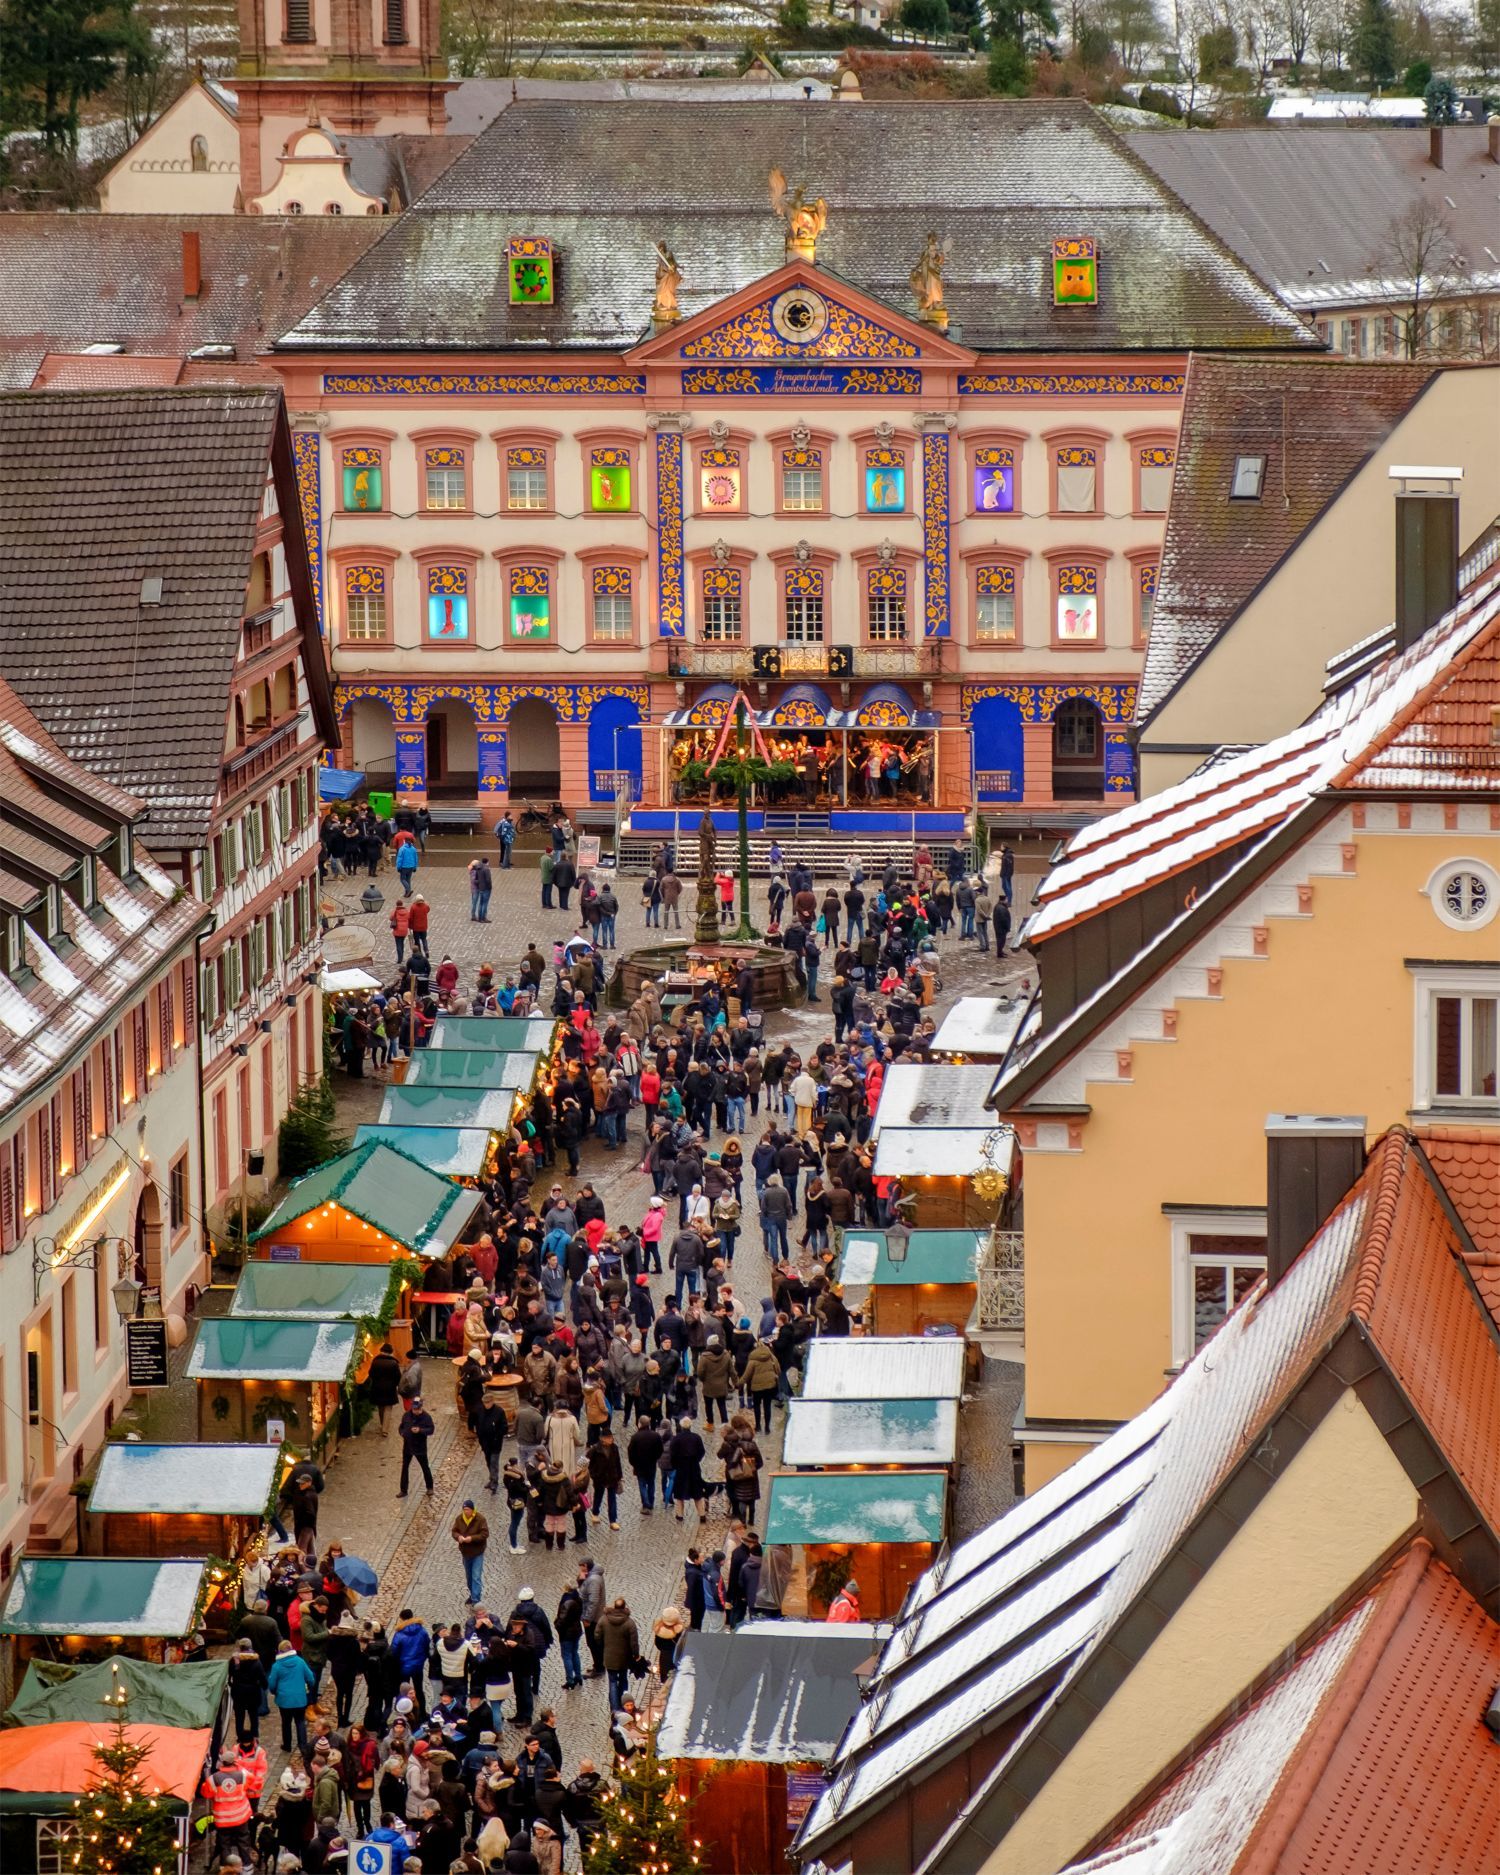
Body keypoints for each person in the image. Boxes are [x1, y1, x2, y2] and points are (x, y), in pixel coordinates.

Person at [267, 1641, 317, 1755]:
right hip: (300, 1699)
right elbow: (310, 1678)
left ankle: (287, 1745)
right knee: (300, 1721)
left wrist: (276, 1693)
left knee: (286, 1723)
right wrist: (308, 1687)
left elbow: (272, 1685)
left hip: (284, 1700)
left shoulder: (277, 1666)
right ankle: (303, 1746)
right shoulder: (300, 1662)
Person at [599, 1596, 639, 1712]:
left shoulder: (604, 1620)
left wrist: (604, 1647)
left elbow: (597, 1636)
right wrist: (636, 1655)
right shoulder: (629, 1623)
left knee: (612, 1682)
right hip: (624, 1659)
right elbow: (634, 1643)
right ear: (624, 1607)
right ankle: (624, 1705)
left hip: (609, 1657)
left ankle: (615, 1709)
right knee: (623, 1679)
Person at [453, 1500, 490, 1605]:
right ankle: (472, 1594)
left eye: (467, 1509)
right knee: (469, 1577)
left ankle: (476, 1600)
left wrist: (472, 1538)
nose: (466, 1512)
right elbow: (454, 1531)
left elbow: (485, 1534)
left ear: (472, 1510)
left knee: (476, 1577)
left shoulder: (480, 1519)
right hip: (466, 1552)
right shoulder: (459, 1519)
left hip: (477, 1552)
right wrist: (458, 1537)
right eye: (464, 1509)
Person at [399, 1396, 436, 1496]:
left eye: (418, 1409)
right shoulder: (407, 1415)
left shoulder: (426, 1417)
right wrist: (402, 1433)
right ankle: (403, 1490)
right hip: (408, 1446)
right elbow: (401, 1427)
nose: (416, 1411)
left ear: (421, 1408)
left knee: (425, 1467)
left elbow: (431, 1430)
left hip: (420, 1447)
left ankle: (429, 1487)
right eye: (414, 1409)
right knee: (405, 1467)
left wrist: (420, 1430)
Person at [367, 1341, 402, 1436]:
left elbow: (371, 1374)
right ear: (390, 1352)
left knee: (380, 1407)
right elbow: (398, 1377)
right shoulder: (394, 1363)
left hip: (377, 1387)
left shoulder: (375, 1361)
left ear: (381, 1351)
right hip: (390, 1388)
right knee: (388, 1408)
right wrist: (396, 1385)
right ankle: (385, 1430)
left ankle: (383, 1425)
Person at [471, 855, 494, 923]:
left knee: (481, 903)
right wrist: (490, 887)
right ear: (487, 862)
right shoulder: (486, 869)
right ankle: (483, 918)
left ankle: (480, 918)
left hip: (480, 888)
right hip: (486, 888)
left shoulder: (478, 868)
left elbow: (476, 879)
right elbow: (488, 880)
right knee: (485, 903)